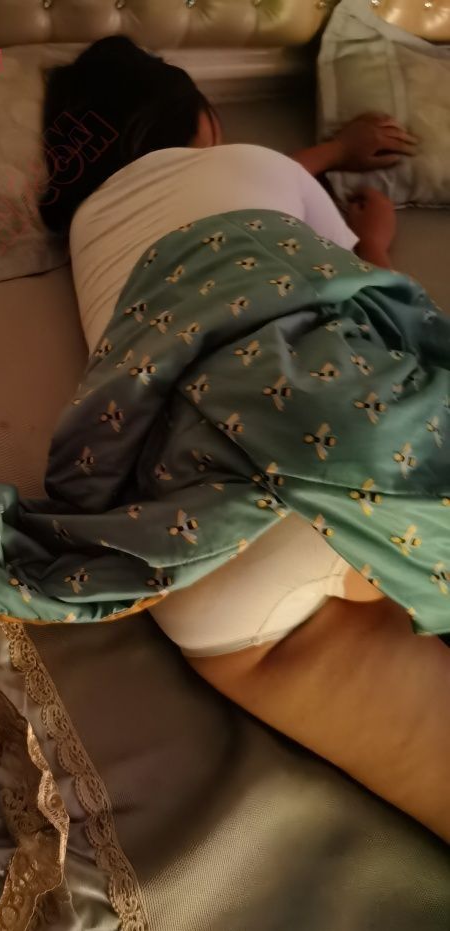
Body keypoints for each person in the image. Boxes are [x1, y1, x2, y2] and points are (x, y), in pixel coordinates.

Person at [38, 36, 450, 843]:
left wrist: (329, 153)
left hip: (208, 552)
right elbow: (353, 277)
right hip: (354, 441)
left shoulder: (86, 226)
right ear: (204, 118)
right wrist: (377, 237)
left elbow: (228, 199)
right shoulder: (260, 165)